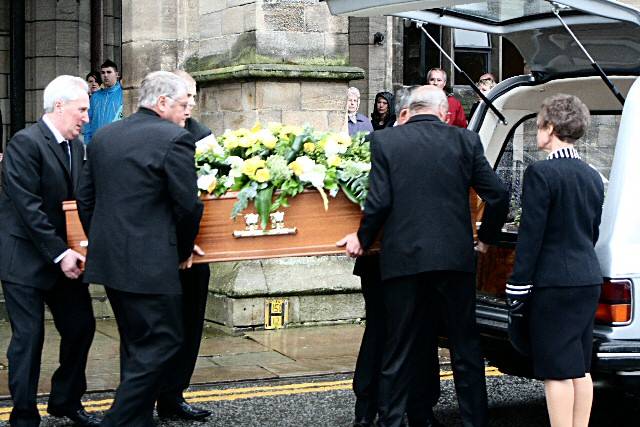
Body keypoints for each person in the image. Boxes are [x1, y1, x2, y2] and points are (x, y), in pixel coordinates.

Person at [339, 85, 508, 427]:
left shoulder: (384, 142)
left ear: (409, 110)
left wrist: (362, 237)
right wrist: (486, 239)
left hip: (404, 260)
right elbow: (499, 195)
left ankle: (390, 420)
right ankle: (475, 421)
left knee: (398, 347)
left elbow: (379, 201)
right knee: (465, 350)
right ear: (445, 114)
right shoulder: (466, 141)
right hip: (455, 260)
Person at [76, 71, 204, 427]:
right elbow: (188, 206)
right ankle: (118, 420)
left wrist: (102, 240)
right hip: (151, 263)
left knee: (136, 344)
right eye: (182, 105)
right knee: (165, 341)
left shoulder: (104, 135)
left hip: (110, 261)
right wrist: (183, 251)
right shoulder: (174, 138)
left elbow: (86, 199)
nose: (185, 113)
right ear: (162, 102)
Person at [0, 75, 99, 426]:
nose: (87, 117)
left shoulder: (77, 146)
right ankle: (24, 414)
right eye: (82, 109)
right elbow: (28, 209)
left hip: (65, 259)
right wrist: (61, 253)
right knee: (29, 338)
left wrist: (85, 247)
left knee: (81, 327)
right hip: (25, 259)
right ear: (59, 106)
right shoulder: (24, 143)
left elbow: (78, 203)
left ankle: (66, 401)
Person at [506, 94, 604, 427]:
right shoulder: (592, 176)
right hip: (587, 277)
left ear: (550, 127)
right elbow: (592, 231)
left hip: (554, 283)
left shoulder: (541, 174)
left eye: (539, 124)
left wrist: (517, 287)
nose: (537, 130)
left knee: (556, 371)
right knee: (580, 366)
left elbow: (530, 238)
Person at [348, 84, 442, 427]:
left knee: (381, 331)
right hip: (413, 257)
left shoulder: (377, 143)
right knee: (416, 333)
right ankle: (414, 408)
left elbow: (368, 199)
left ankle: (371, 407)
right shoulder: (438, 144)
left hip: (381, 257)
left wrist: (362, 236)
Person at [153, 69, 212, 421]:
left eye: (193, 96)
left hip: (197, 246)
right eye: (183, 97)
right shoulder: (147, 132)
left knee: (190, 325)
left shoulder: (202, 135)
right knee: (159, 328)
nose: (189, 104)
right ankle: (147, 395)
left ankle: (174, 395)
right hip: (159, 248)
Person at [84, 59, 123, 144]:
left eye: (109, 72)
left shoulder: (123, 94)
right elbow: (88, 121)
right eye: (103, 72)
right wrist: (87, 142)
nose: (105, 75)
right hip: (96, 144)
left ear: (116, 74)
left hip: (117, 143)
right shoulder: (95, 97)